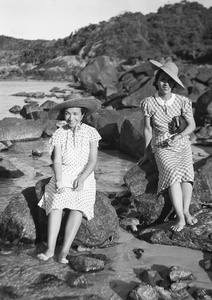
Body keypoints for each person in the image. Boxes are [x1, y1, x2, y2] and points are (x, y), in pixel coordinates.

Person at [37, 98, 101, 263]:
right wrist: (58, 180)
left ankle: (64, 251)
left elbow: (93, 161)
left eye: (75, 114)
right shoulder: (59, 132)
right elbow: (57, 161)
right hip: (63, 171)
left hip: (83, 173)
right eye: (67, 113)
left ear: (82, 115)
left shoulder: (91, 132)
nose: (71, 117)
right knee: (56, 202)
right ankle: (50, 249)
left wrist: (82, 178)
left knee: (78, 205)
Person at [138, 59, 197, 232]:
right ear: (156, 81)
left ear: (174, 83)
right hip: (162, 146)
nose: (166, 83)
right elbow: (148, 129)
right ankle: (179, 217)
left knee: (187, 175)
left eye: (170, 80)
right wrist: (146, 151)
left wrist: (179, 136)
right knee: (172, 174)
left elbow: (192, 126)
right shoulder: (148, 102)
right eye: (163, 79)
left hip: (182, 144)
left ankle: (186, 211)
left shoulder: (183, 101)